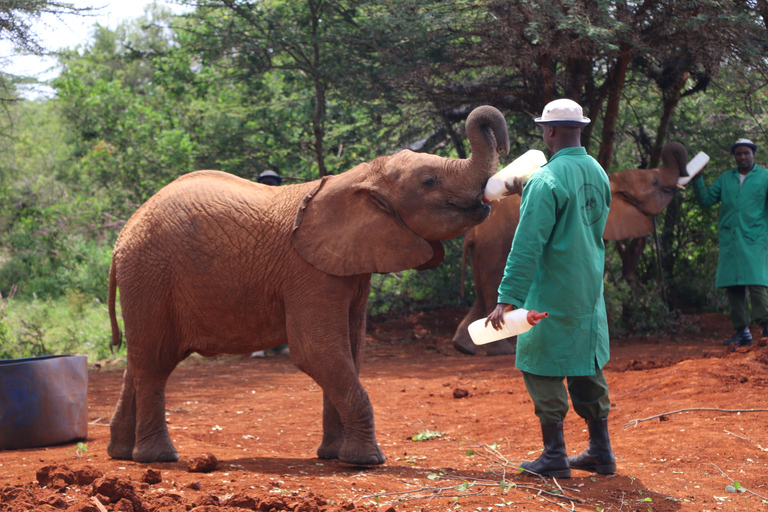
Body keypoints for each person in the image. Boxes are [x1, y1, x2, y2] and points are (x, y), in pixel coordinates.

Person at [486, 98, 615, 478]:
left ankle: (554, 456)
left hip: (552, 290)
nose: (544, 132)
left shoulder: (545, 181)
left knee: (541, 366)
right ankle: (600, 452)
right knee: (585, 363)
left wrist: (506, 299)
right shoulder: (597, 172)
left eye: (545, 127)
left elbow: (527, 246)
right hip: (588, 289)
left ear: (552, 131)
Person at [691, 138, 768, 346]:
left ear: (753, 154)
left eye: (746, 153)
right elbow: (706, 200)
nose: (742, 157)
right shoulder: (726, 178)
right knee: (733, 285)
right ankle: (742, 332)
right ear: (734, 156)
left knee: (757, 283)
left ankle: (766, 327)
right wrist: (697, 178)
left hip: (756, 240)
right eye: (738, 153)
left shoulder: (765, 177)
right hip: (730, 240)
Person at [252, 169, 290, 357]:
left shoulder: (287, 205)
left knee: (281, 303)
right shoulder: (250, 205)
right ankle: (258, 346)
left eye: (272, 182)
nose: (268, 185)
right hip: (256, 262)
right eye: (265, 181)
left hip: (280, 262)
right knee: (257, 303)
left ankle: (280, 344)